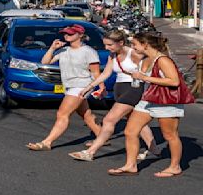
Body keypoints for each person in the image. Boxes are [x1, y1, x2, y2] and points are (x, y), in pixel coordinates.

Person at [68, 30, 159, 161]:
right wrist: (89, 87)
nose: (107, 48)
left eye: (110, 45)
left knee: (109, 120)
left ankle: (90, 152)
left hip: (133, 89)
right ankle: (154, 150)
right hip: (120, 88)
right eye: (105, 45)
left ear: (121, 43)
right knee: (137, 121)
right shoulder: (113, 55)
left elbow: (153, 64)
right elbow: (106, 73)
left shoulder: (134, 54)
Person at [108, 32, 188, 177]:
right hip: (147, 100)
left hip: (165, 102)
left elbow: (174, 81)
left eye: (135, 44)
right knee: (130, 131)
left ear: (145, 44)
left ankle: (175, 167)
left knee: (170, 135)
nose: (132, 47)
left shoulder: (163, 59)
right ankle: (130, 165)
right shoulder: (145, 59)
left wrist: (145, 77)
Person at [27, 24, 103, 151]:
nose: (66, 35)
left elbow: (95, 72)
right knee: (85, 114)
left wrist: (101, 87)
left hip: (82, 85)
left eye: (71, 33)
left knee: (62, 113)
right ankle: (102, 137)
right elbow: (45, 62)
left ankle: (47, 142)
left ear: (80, 35)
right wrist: (52, 48)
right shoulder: (64, 50)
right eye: (65, 33)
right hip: (69, 86)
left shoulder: (89, 52)